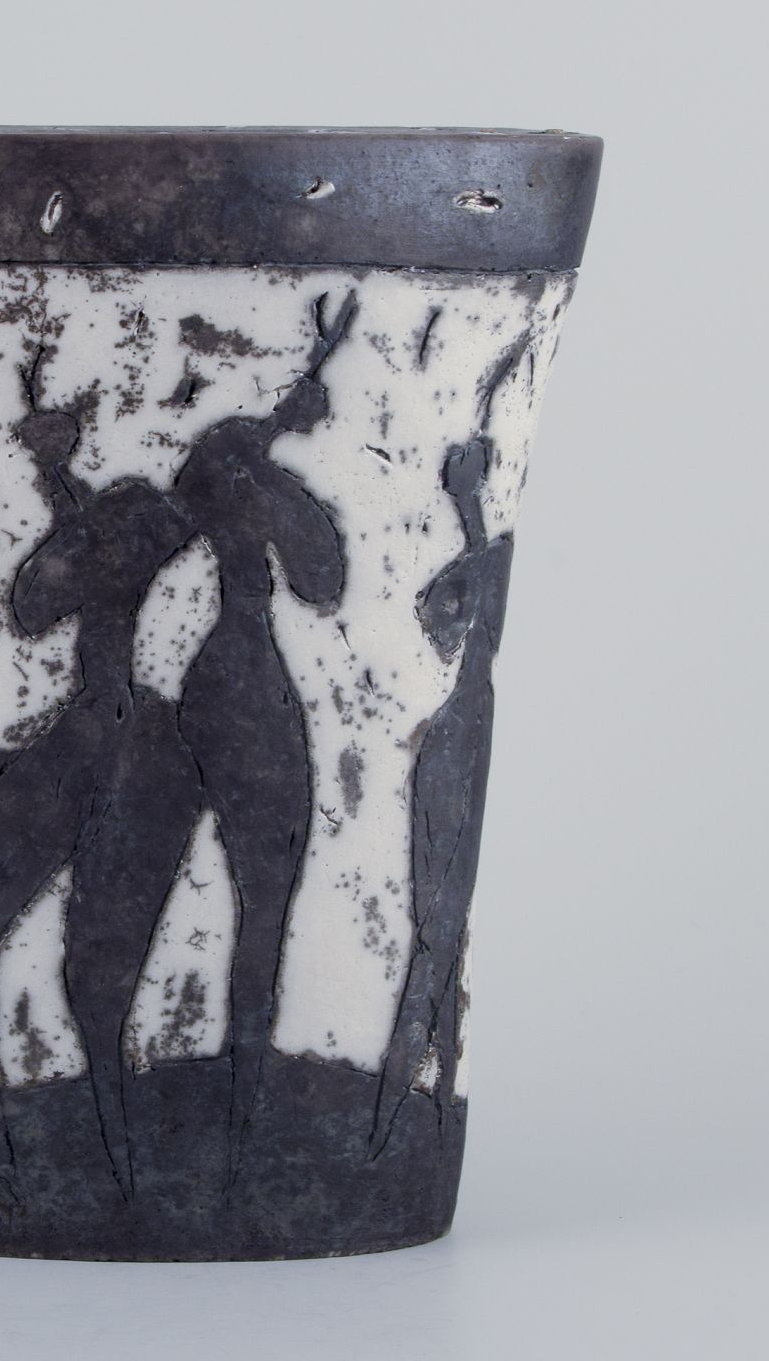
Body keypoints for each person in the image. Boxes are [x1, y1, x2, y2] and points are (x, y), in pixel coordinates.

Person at [0, 386, 201, 1201]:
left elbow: (35, 604)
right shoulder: (123, 527)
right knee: (56, 973)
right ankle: (68, 1157)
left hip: (104, 735)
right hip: (118, 733)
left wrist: (59, 485)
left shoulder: (129, 528)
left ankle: (43, 1158)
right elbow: (66, 581)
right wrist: (57, 480)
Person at [173, 346, 349, 1186]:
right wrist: (279, 435)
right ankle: (243, 1104)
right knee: (267, 901)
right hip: (243, 679)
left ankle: (235, 1100)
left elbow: (207, 470)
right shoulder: (252, 481)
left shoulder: (229, 472)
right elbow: (322, 579)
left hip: (204, 675)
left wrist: (275, 430)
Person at [369, 438, 514, 1157]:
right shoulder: (489, 556)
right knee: (438, 931)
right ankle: (415, 1104)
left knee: (439, 931)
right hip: (454, 734)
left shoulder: (490, 556)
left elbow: (440, 616)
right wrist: (467, 509)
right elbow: (439, 616)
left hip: (457, 735)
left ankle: (411, 1109)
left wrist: (466, 508)